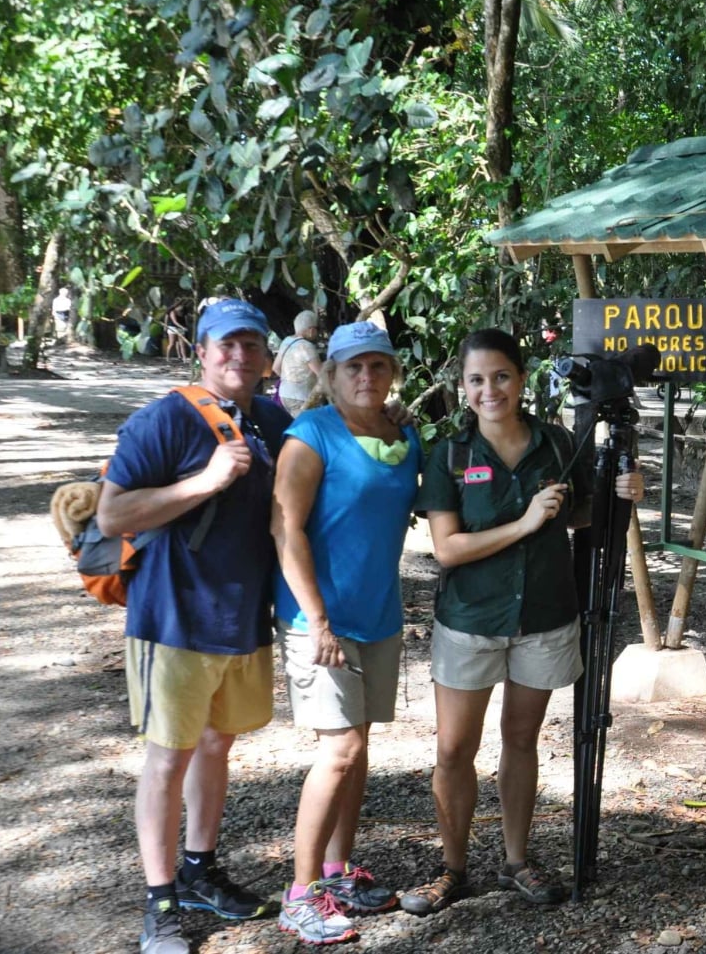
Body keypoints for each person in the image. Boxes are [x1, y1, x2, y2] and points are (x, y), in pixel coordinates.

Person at [401, 329, 645, 915]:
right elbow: (449, 548)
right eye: (477, 380)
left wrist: (624, 494)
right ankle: (452, 869)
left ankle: (517, 860)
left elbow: (585, 513)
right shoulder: (451, 454)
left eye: (501, 376)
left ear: (521, 377)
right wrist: (527, 522)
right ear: (463, 388)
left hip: (542, 617)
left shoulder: (559, 442)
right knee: (455, 750)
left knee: (520, 740)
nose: (491, 390)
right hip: (470, 619)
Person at [96, 299, 292, 954]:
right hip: (171, 620)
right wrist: (204, 482)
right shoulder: (163, 421)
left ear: (268, 356)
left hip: (242, 620)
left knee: (217, 744)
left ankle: (201, 867)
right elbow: (112, 515)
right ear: (201, 351)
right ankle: (161, 905)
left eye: (251, 344)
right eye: (226, 344)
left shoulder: (271, 418)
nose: (239, 356)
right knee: (168, 755)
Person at [269, 322, 422, 944]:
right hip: (319, 620)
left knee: (359, 751)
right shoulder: (310, 436)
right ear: (330, 375)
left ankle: (336, 872)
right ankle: (300, 894)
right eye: (353, 367)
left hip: (378, 614)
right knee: (339, 752)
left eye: (377, 366)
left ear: (391, 373)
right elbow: (286, 530)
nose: (367, 376)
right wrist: (319, 621)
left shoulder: (404, 434)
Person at [273, 312, 322, 416]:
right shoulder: (307, 346)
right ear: (311, 330)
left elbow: (276, 368)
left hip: (284, 395)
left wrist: (289, 380)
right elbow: (321, 374)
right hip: (302, 397)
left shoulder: (286, 341)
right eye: (317, 329)